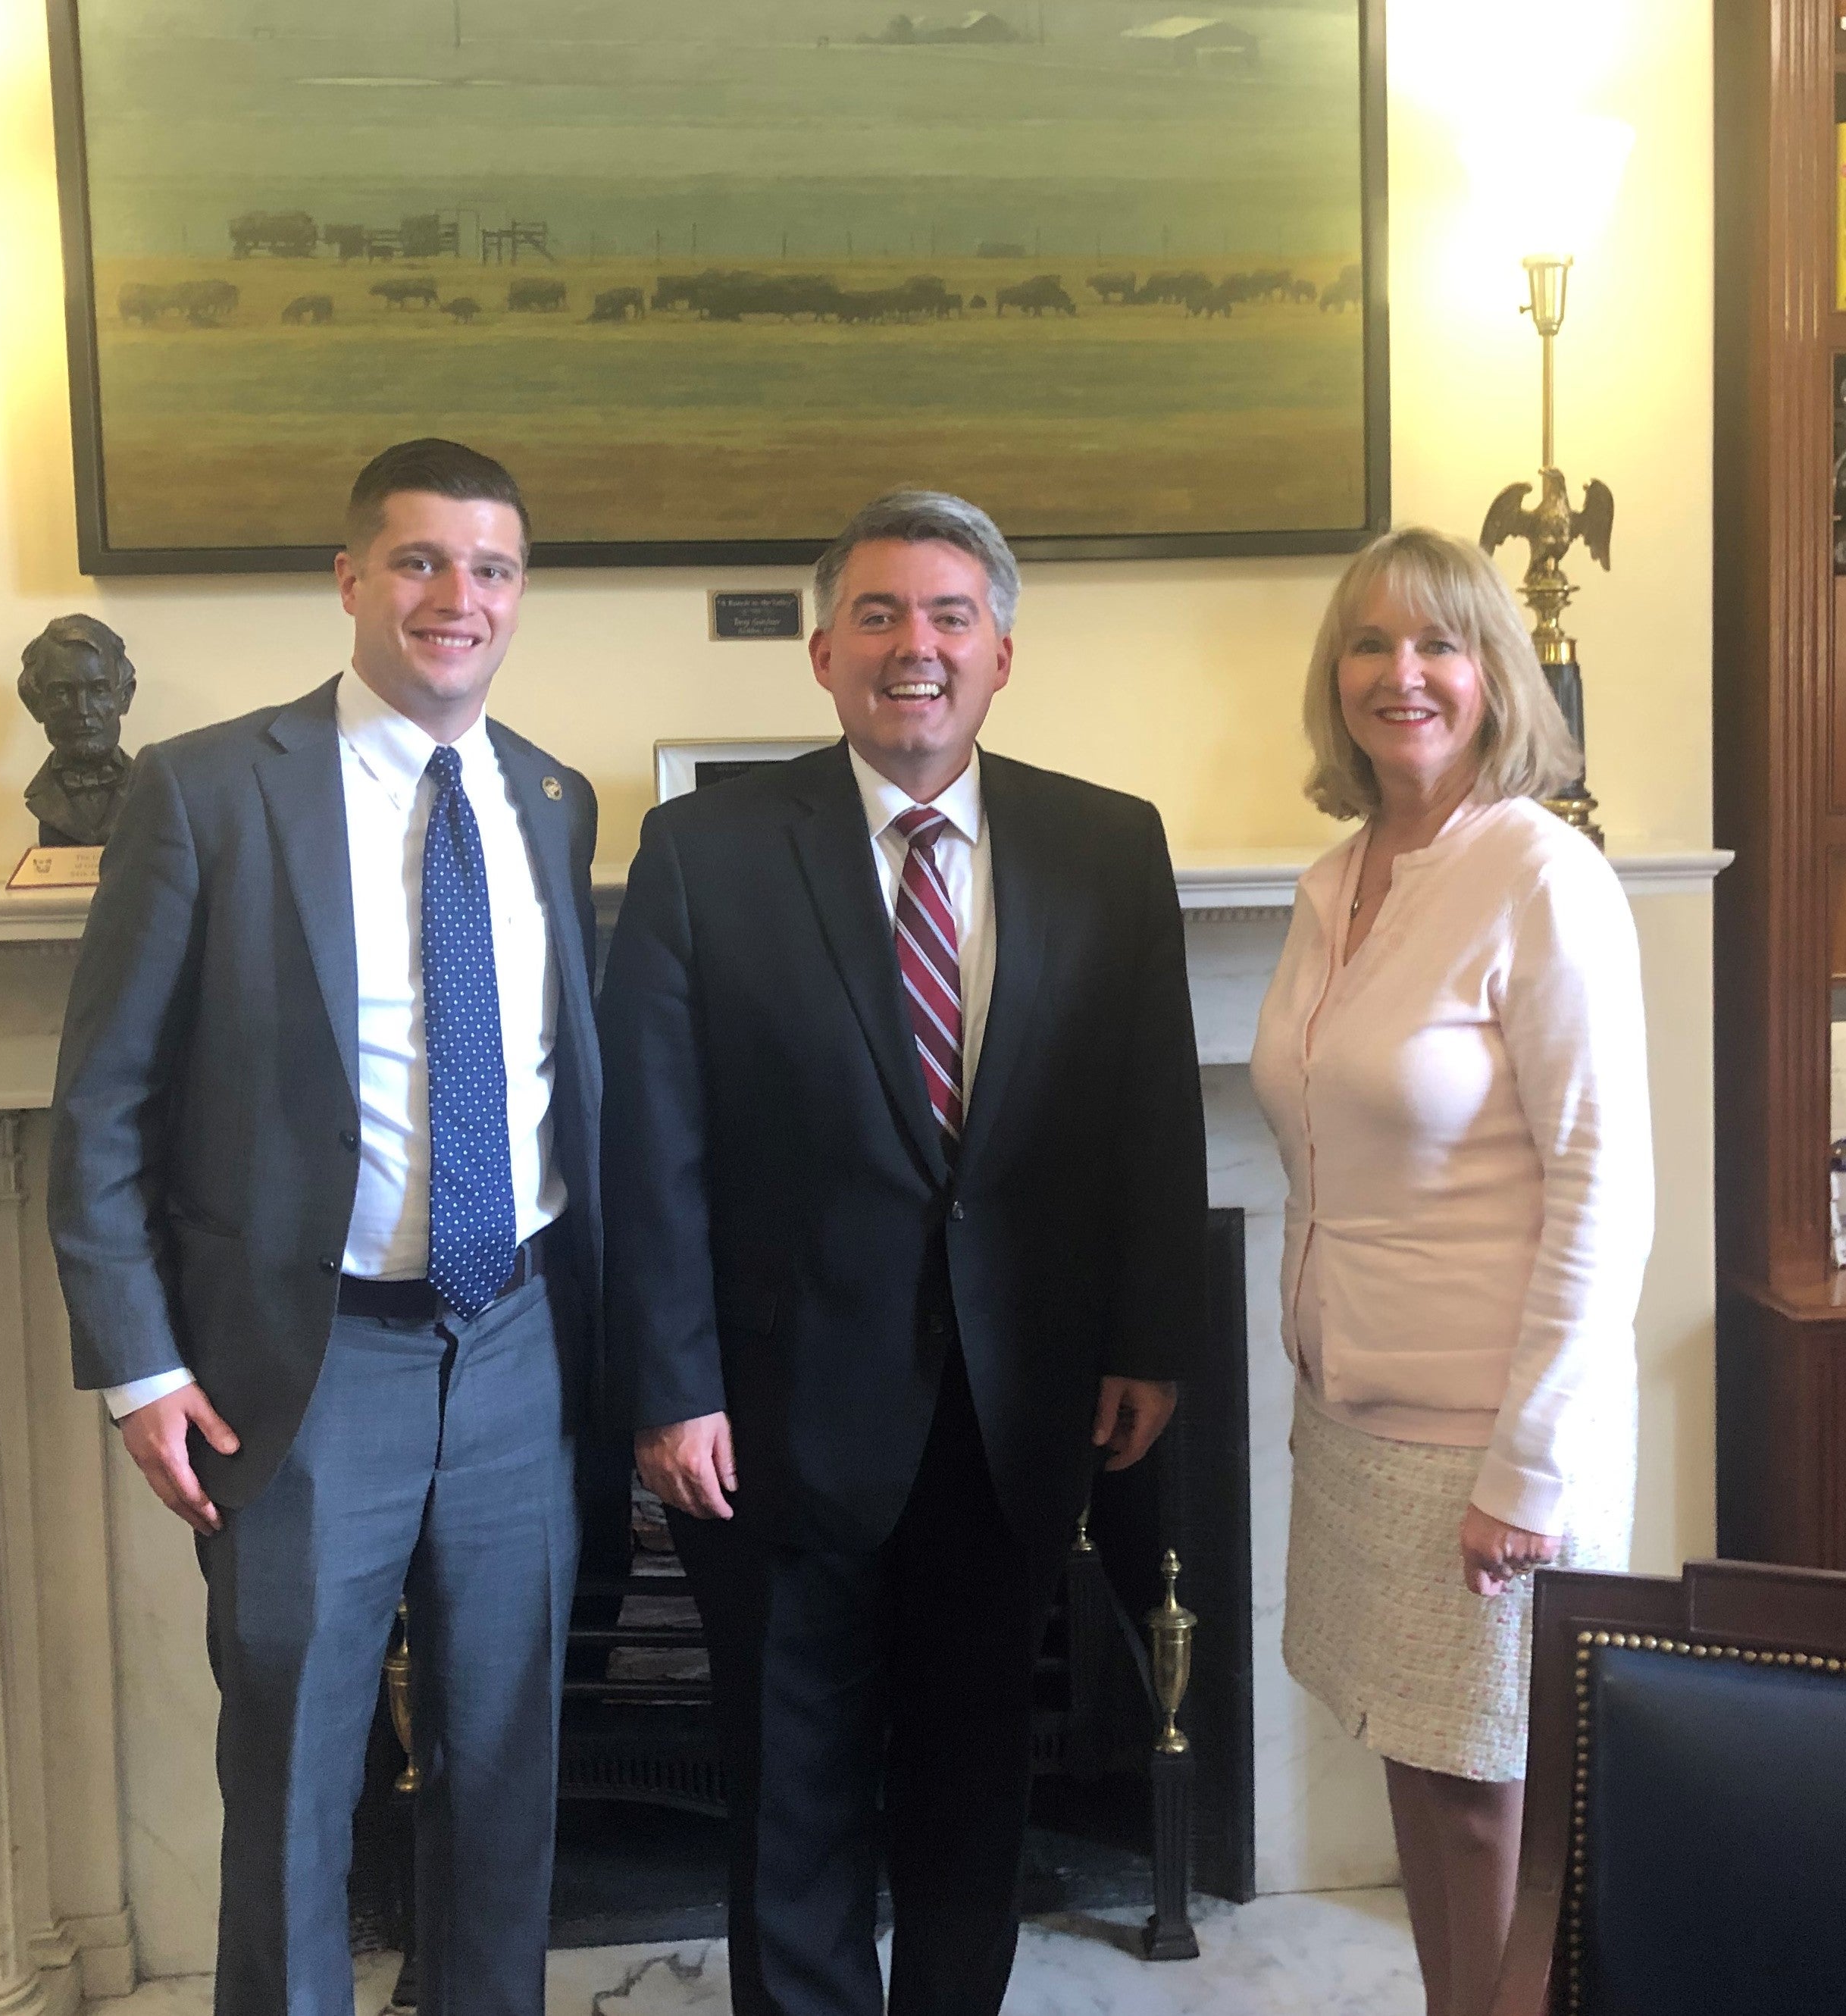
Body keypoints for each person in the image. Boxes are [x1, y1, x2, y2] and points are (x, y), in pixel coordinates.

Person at [599, 489, 1208, 2016]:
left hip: (1016, 1413)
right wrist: (670, 1390)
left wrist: (1147, 1337)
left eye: (948, 617)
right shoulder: (702, 852)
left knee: (970, 1794)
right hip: (776, 1419)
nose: (913, 647)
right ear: (820, 653)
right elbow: (651, 1145)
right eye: (877, 615)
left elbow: (1148, 1110)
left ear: (1002, 652)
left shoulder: (1106, 843)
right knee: (791, 1804)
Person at [47, 438, 601, 2016]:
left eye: (489, 569)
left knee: (506, 1764)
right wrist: (142, 1369)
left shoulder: (550, 797)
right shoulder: (209, 789)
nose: (457, 597)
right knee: (293, 1770)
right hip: (305, 1366)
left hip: (513, 1345)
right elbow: (102, 1106)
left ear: (518, 595)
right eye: (420, 561)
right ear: (350, 577)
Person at [1250, 526, 1653, 2016]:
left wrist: (1529, 1467)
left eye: (1438, 644)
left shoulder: (1541, 873)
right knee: (1422, 1779)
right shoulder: (1336, 878)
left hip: (1489, 1443)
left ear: (1492, 677)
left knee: (1495, 1806)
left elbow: (1605, 1187)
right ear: (1333, 678)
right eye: (1369, 643)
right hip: (1359, 1426)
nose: (1399, 674)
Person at [17, 612, 138, 845]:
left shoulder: (149, 790)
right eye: (62, 692)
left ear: (125, 696)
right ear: (35, 704)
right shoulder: (42, 795)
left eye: (99, 690)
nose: (83, 710)